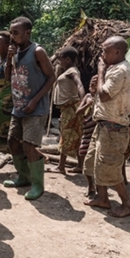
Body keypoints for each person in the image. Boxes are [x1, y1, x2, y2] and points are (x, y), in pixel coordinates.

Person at [2, 16, 56, 200]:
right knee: (12, 141)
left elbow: (51, 77)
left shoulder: (38, 51)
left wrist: (34, 101)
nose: (12, 36)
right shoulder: (15, 52)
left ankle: (37, 184)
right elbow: (8, 77)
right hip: (19, 107)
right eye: (11, 32)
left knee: (29, 145)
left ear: (27, 33)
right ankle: (23, 176)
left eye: (16, 33)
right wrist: (9, 58)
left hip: (35, 108)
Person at [82, 36, 130, 218]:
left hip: (114, 127)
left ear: (118, 52)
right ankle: (102, 197)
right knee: (94, 161)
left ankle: (127, 204)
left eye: (105, 50)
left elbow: (104, 95)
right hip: (104, 124)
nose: (102, 54)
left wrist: (101, 71)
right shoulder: (114, 69)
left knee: (109, 166)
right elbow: (100, 95)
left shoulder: (119, 71)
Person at [47, 46, 84, 174]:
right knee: (75, 136)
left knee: (66, 135)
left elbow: (79, 85)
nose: (59, 63)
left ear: (68, 59)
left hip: (71, 107)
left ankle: (61, 166)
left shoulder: (72, 71)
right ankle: (80, 165)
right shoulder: (67, 71)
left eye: (61, 60)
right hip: (68, 108)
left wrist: (84, 101)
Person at [75, 76, 97, 194]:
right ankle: (90, 184)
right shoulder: (88, 97)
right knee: (82, 152)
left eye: (95, 85)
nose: (92, 87)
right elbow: (78, 112)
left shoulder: (102, 98)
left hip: (97, 131)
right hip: (86, 130)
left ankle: (97, 186)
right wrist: (87, 105)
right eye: (91, 85)